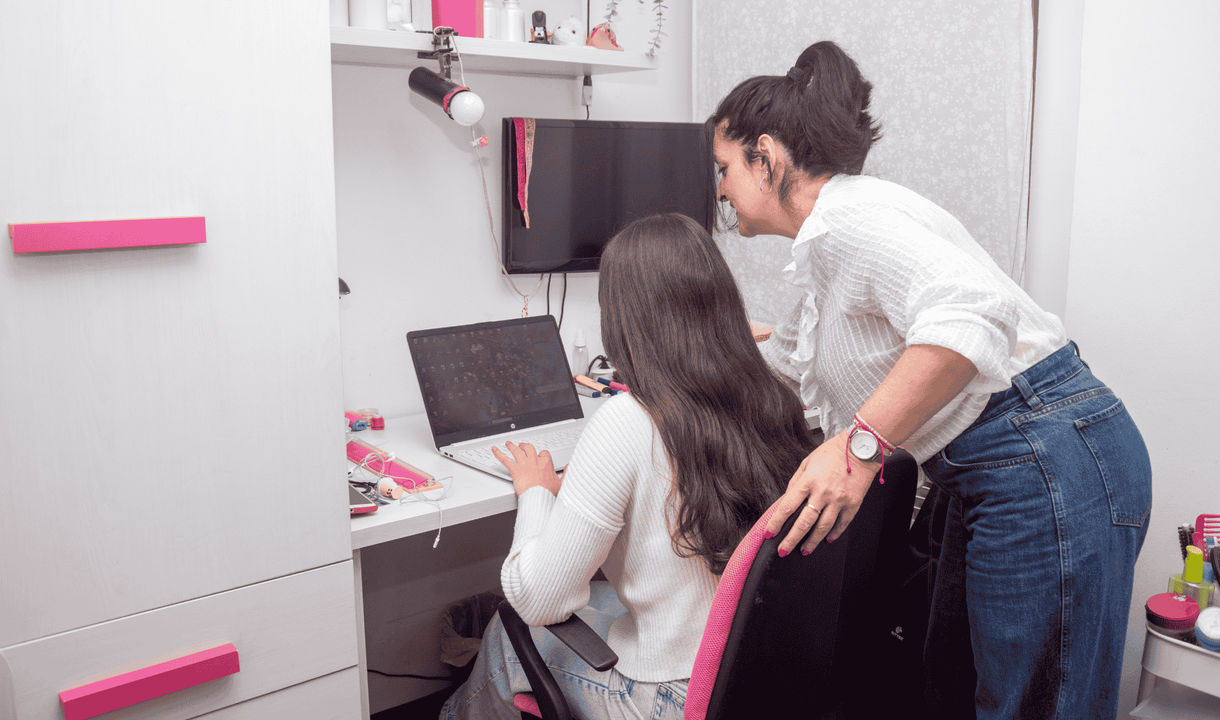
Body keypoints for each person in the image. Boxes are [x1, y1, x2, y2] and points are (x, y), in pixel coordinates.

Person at [707, 40, 1152, 719]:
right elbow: (795, 362)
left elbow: (972, 317)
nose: (719, 190)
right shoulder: (826, 248)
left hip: (1044, 453)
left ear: (765, 157)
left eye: (725, 168)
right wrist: (682, 351)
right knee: (947, 688)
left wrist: (858, 449)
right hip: (1000, 463)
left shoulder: (849, 222)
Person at [439, 213, 815, 720]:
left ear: (622, 318)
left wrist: (536, 494)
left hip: (673, 697)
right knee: (601, 597)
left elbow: (539, 601)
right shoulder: (772, 395)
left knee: (507, 634)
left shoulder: (628, 420)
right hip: (759, 678)